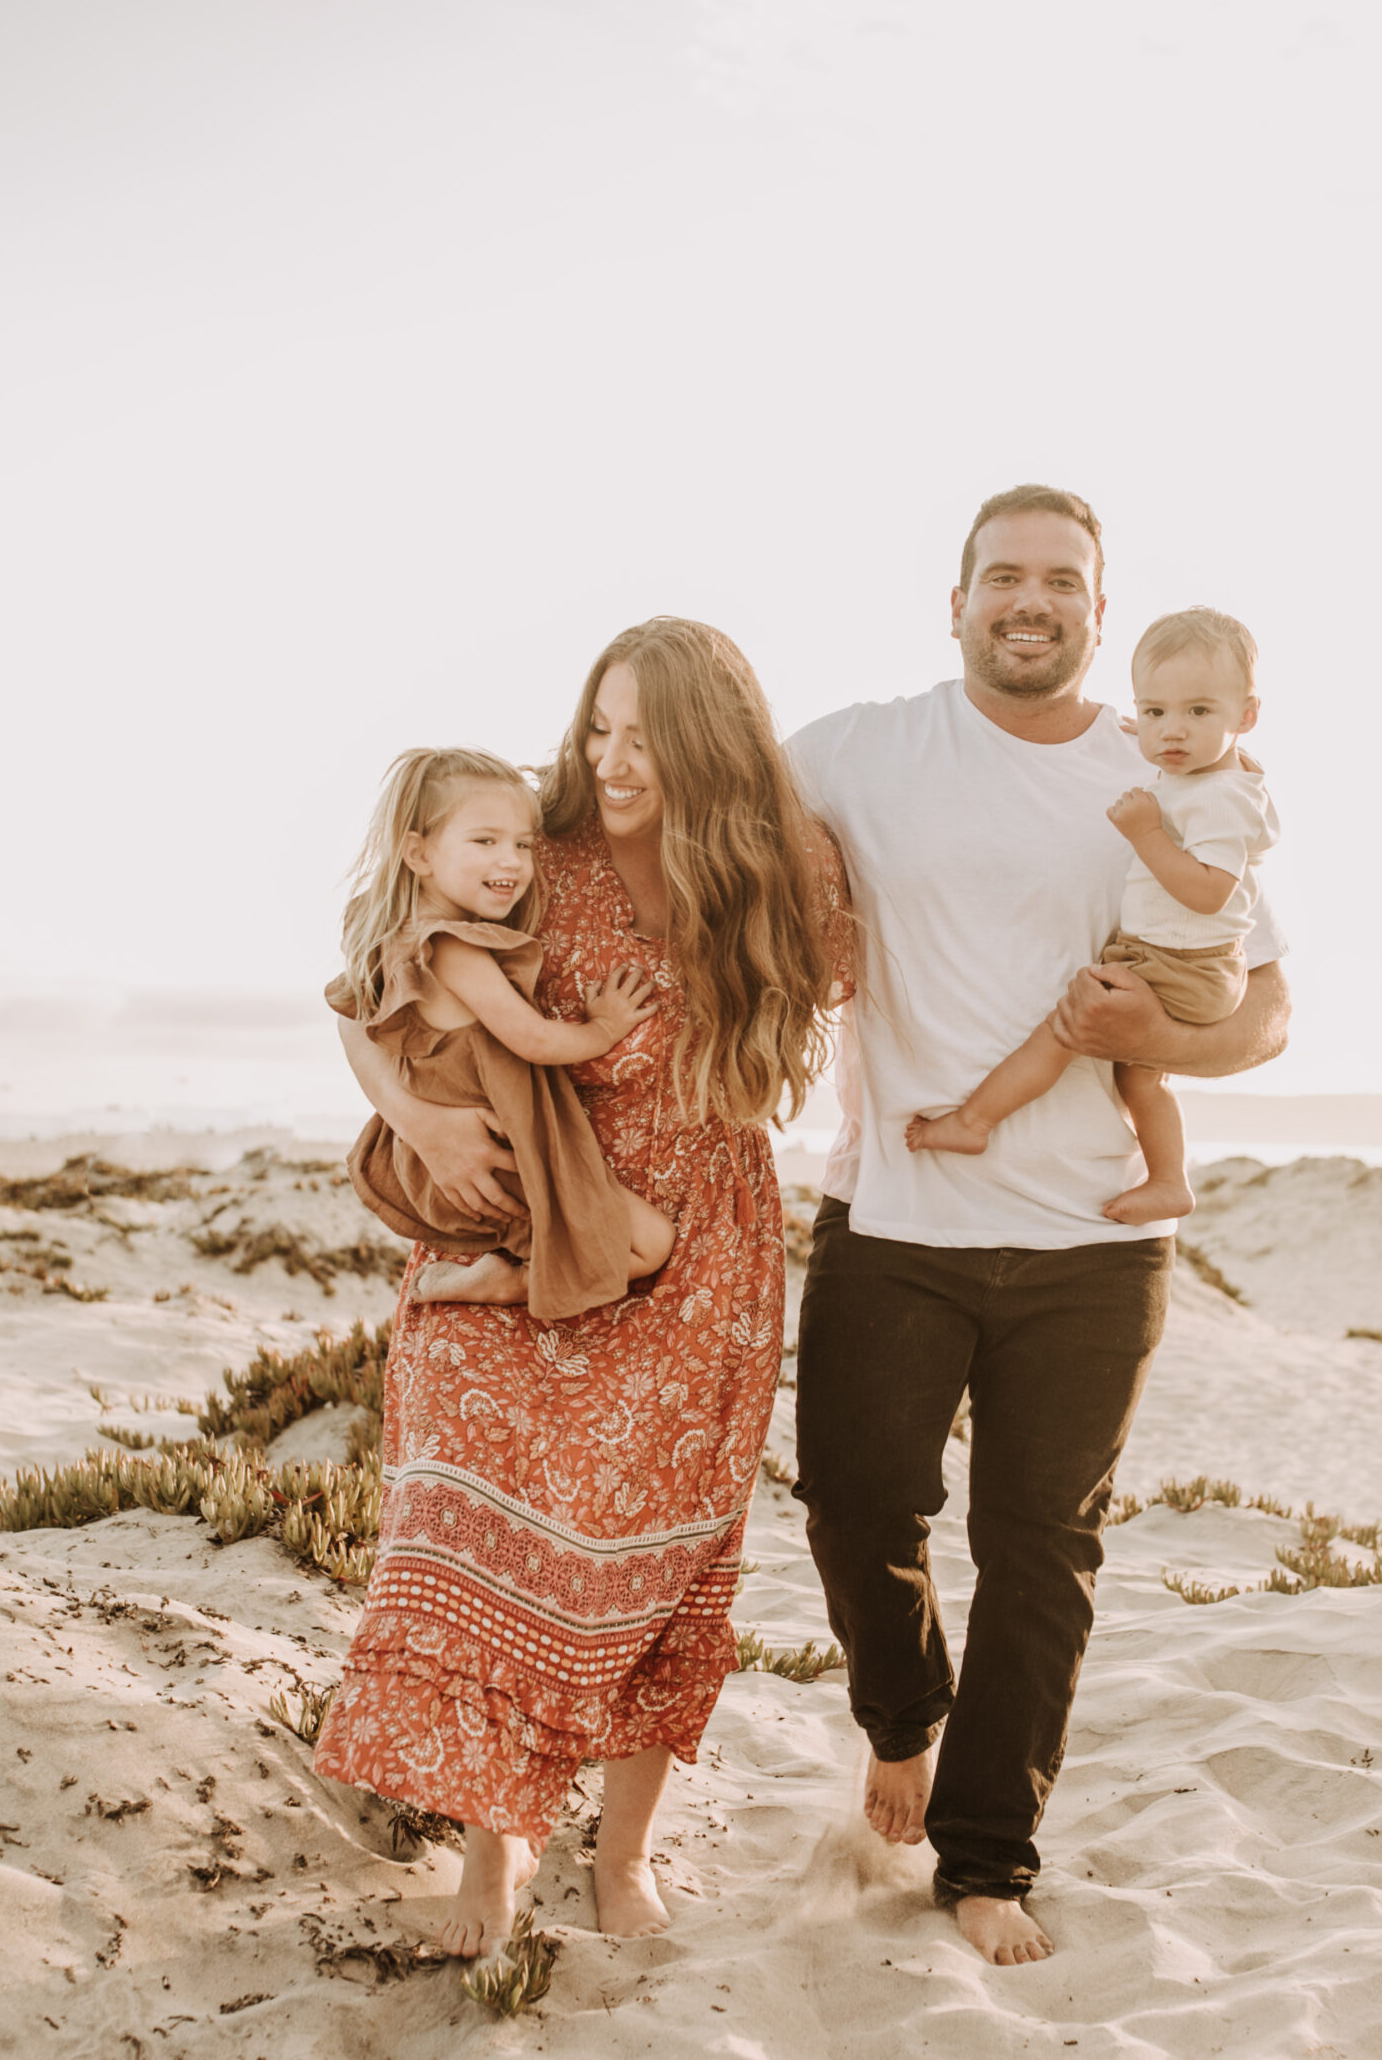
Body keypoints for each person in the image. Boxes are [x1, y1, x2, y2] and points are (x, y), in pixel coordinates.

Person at [788, 487, 1289, 1968]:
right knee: (853, 1503)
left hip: (1093, 1243)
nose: (1029, 600)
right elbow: (681, 815)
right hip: (891, 1214)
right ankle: (902, 1715)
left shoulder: (1180, 772)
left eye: (1059, 582)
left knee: (1038, 1553)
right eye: (1000, 577)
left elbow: (1263, 1013)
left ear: (1094, 608)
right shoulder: (858, 748)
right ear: (953, 605)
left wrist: (1165, 1040)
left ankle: (987, 1857)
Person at [313, 621, 852, 1957]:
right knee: (486, 1538)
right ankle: (490, 1863)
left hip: (693, 1249)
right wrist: (416, 1122)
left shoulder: (790, 871)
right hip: (514, 1211)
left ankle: (621, 1858)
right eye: (597, 728)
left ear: (709, 747)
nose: (610, 761)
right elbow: (367, 986)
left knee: (657, 1566)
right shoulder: (529, 849)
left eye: (643, 739)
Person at [905, 605, 1279, 1227]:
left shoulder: (1217, 801)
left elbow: (1211, 891)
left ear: (1247, 716)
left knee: (1065, 1029)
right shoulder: (1221, 771)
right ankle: (1169, 1181)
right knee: (1142, 1082)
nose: (1172, 732)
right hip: (1181, 957)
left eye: (1198, 711)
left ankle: (973, 1122)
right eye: (1156, 711)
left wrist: (1146, 833)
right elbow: (1196, 750)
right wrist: (1161, 734)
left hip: (1180, 964)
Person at [327, 745, 674, 1318]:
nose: (511, 861)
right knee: (652, 1242)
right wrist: (604, 1027)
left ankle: (508, 1273)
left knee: (636, 1241)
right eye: (485, 842)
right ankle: (510, 1284)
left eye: (523, 845)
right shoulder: (454, 946)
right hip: (500, 1157)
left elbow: (351, 1011)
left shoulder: (400, 938)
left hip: (469, 1160)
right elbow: (534, 1039)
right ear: (419, 853)